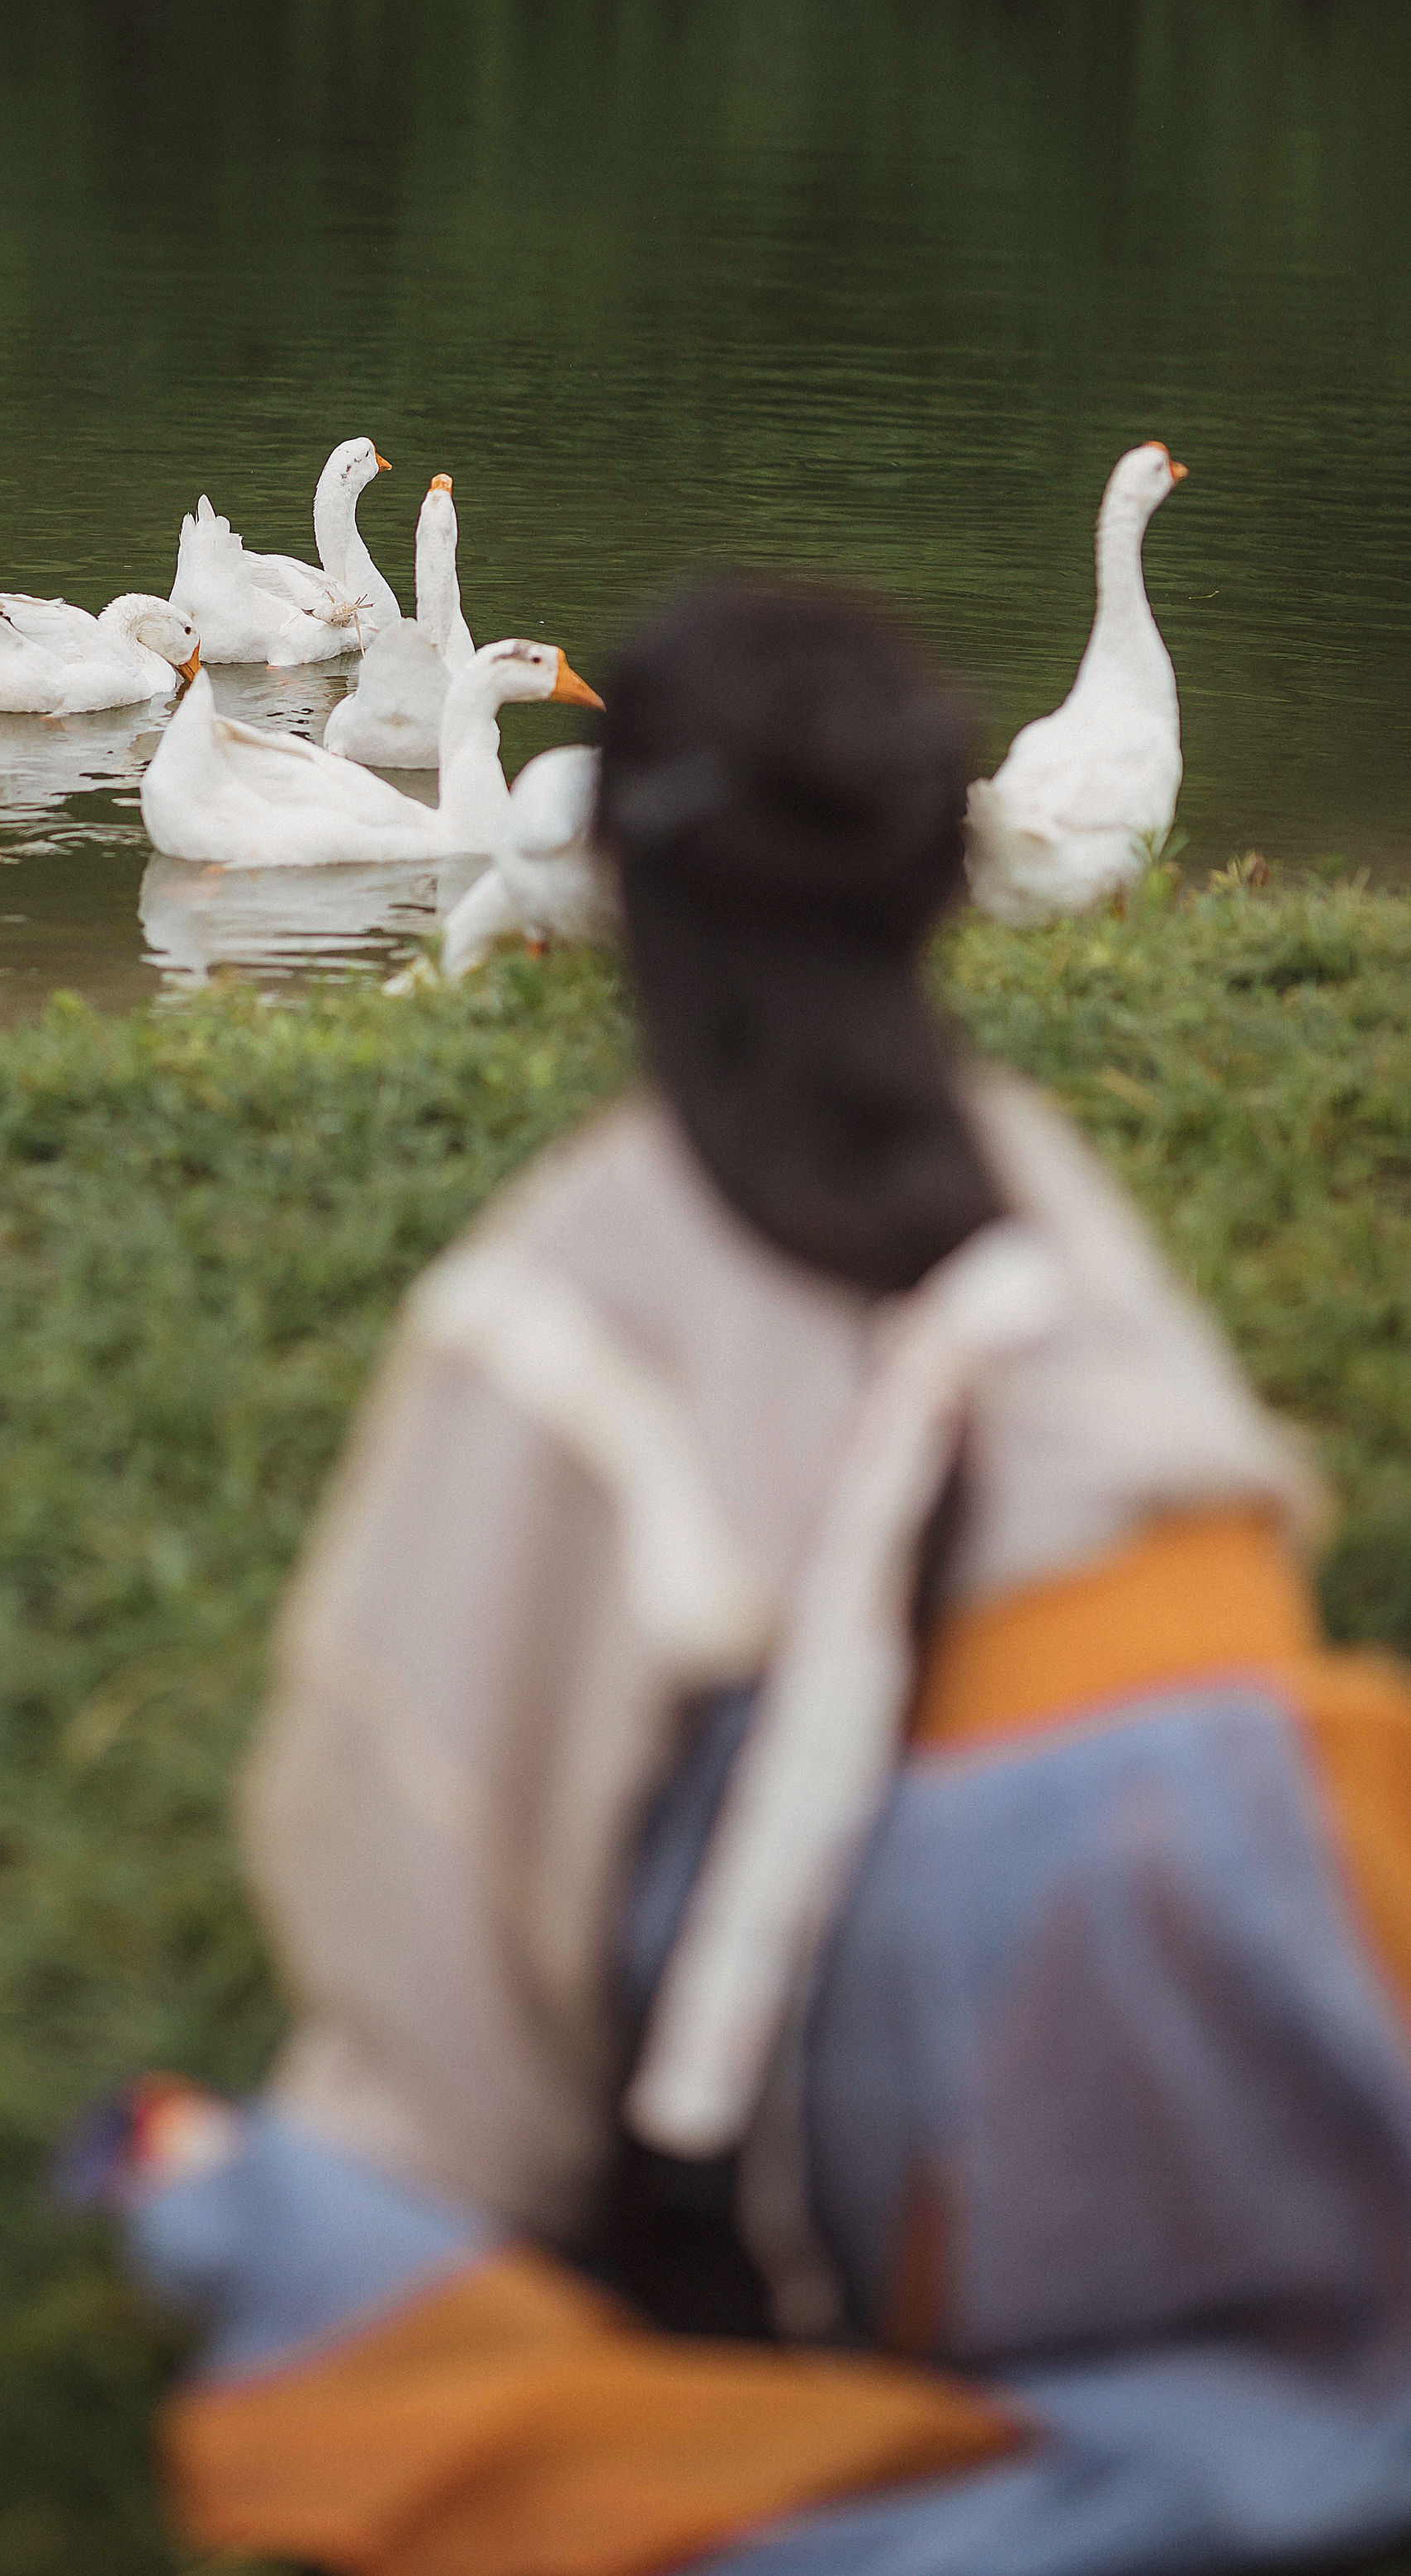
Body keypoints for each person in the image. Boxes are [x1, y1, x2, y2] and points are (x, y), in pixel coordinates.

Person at [78, 579, 1411, 2576]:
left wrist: (455, 2169)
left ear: (614, 872)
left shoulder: (560, 1293)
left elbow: (413, 1852)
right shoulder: (1051, 1191)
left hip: (966, 2106)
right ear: (933, 876)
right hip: (1295, 1967)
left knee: (307, 2216)